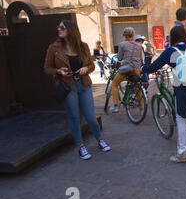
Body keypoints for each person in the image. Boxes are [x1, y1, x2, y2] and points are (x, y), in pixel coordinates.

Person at [44, 20, 111, 160]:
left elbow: (91, 66)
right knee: (74, 117)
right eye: (59, 27)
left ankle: (99, 139)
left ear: (71, 30)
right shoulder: (54, 48)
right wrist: (58, 71)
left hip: (84, 84)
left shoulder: (83, 46)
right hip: (68, 87)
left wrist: (86, 68)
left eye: (62, 27)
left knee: (91, 117)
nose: (59, 29)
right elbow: (47, 68)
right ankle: (81, 146)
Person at [141, 25, 186, 163]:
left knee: (181, 119)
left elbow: (154, 66)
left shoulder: (170, 51)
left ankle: (182, 153)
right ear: (184, 36)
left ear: (172, 38)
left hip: (184, 90)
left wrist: (142, 68)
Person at [109, 27, 143, 113]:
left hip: (126, 68)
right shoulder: (139, 45)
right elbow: (139, 57)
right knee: (137, 87)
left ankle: (116, 105)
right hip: (136, 68)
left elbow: (120, 57)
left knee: (114, 84)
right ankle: (142, 106)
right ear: (133, 35)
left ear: (124, 35)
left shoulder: (122, 44)